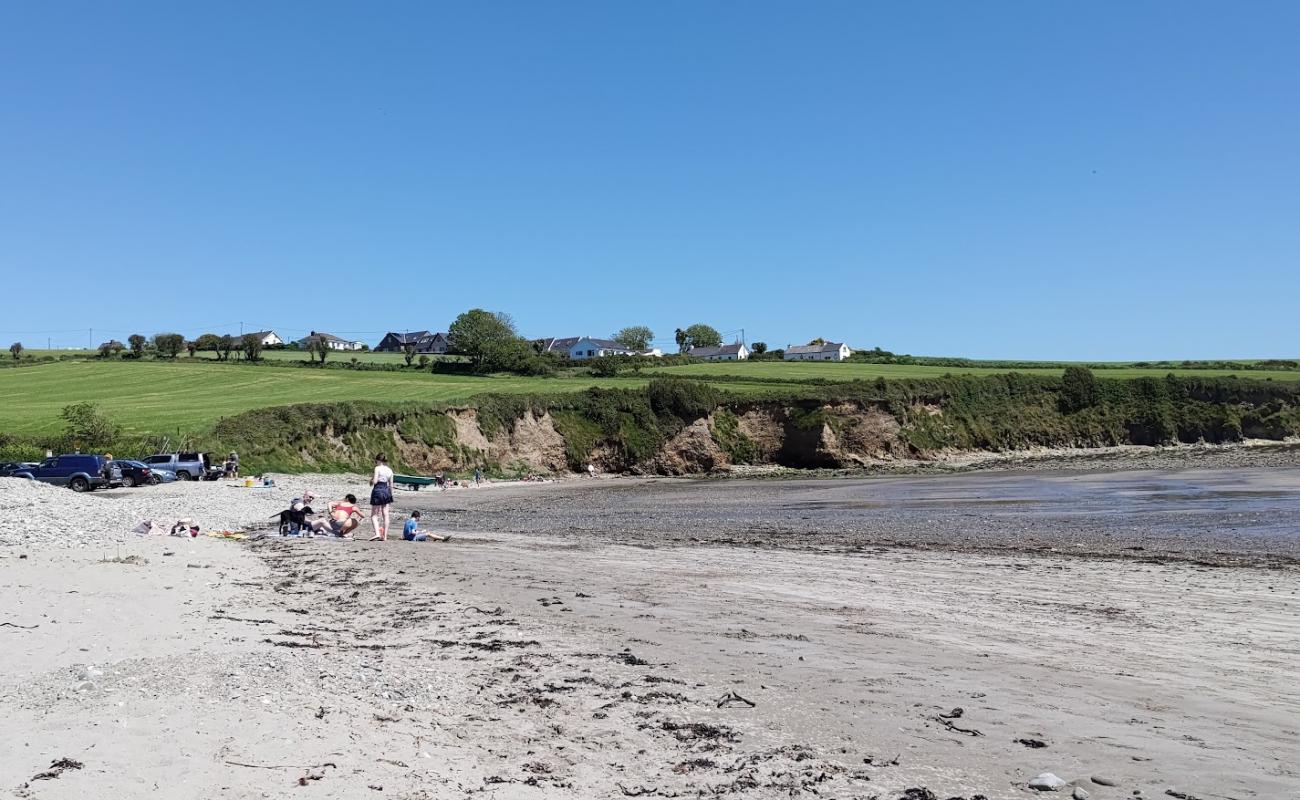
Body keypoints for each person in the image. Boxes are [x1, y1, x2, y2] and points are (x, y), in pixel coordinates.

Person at [368, 453, 395, 541]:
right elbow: (391, 485)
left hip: (378, 490)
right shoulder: (390, 470)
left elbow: (375, 481)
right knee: (385, 514)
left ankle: (377, 533)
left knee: (374, 515)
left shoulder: (377, 468)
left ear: (378, 460)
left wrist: (371, 480)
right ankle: (385, 536)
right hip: (386, 491)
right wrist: (391, 495)